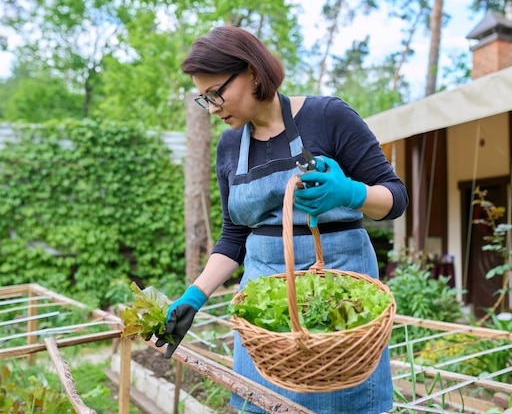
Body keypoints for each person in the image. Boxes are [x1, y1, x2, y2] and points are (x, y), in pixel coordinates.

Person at [155, 26, 408, 414]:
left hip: (341, 303)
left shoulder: (329, 118)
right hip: (265, 314)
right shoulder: (228, 146)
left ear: (252, 72)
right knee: (264, 402)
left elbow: (396, 198)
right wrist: (195, 295)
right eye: (203, 99)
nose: (213, 107)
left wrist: (352, 193)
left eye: (216, 93)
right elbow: (234, 237)